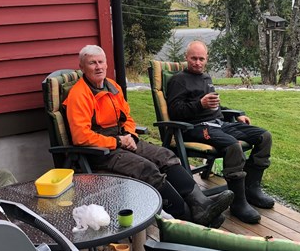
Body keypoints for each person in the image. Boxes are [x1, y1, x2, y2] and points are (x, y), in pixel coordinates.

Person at [63, 45, 233, 227]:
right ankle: (187, 218)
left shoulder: (112, 87)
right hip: (100, 151)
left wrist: (129, 134)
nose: (98, 67)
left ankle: (202, 204)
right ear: (82, 67)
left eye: (101, 62)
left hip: (123, 138)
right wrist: (118, 141)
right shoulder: (79, 95)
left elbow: (126, 117)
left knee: (166, 156)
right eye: (92, 63)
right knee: (147, 168)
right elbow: (81, 137)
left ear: (106, 64)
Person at [165, 41, 275, 224]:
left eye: (201, 59)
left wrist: (237, 114)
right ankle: (238, 203)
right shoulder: (179, 80)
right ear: (186, 58)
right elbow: (175, 111)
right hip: (196, 128)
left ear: (206, 59)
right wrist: (200, 104)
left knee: (264, 137)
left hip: (220, 123)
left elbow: (214, 107)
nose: (197, 63)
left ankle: (251, 189)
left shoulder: (206, 78)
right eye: (194, 58)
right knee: (233, 146)